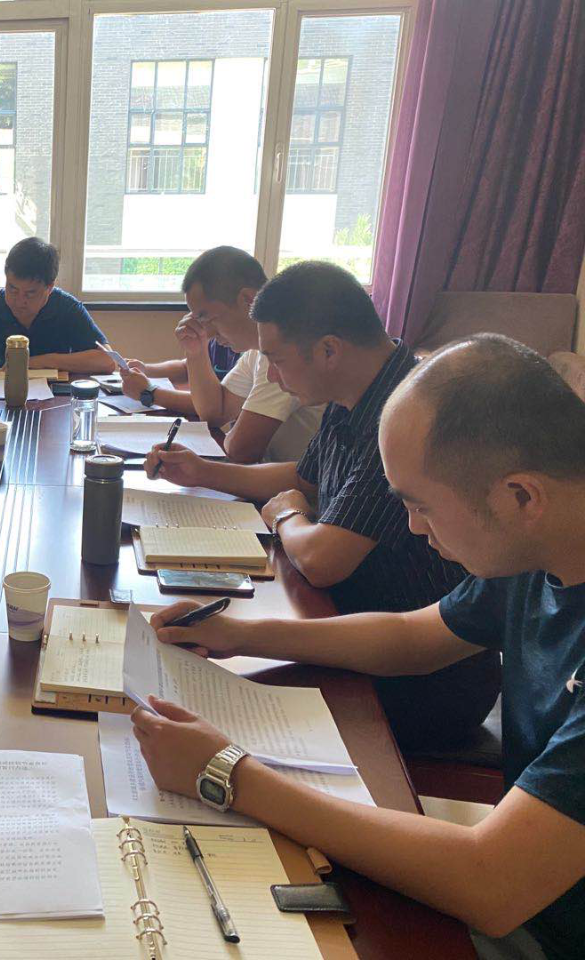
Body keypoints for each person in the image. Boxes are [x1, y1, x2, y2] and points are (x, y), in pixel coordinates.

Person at [132, 334, 585, 960]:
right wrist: (238, 632)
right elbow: (414, 636)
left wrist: (226, 773)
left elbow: (492, 882)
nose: (414, 529)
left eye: (422, 507)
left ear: (521, 496)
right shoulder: (539, 551)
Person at [144, 261, 499, 747]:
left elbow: (322, 560)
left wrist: (286, 514)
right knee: (193, 677)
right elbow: (304, 479)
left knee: (199, 707)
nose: (271, 375)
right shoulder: (353, 389)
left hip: (419, 679)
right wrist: (202, 471)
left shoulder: (404, 414)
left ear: (329, 350)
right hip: (348, 625)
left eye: (277, 360)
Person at [136, 246, 322, 463]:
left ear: (248, 300)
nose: (208, 332)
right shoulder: (255, 352)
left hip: (296, 483)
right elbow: (215, 412)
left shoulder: (285, 351)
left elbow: (242, 449)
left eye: (209, 319)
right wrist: (196, 351)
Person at [0, 238, 114, 375]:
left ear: (49, 287)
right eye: (12, 289)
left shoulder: (66, 308)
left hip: (55, 402)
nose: (19, 301)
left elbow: (107, 360)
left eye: (30, 293)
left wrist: (38, 361)